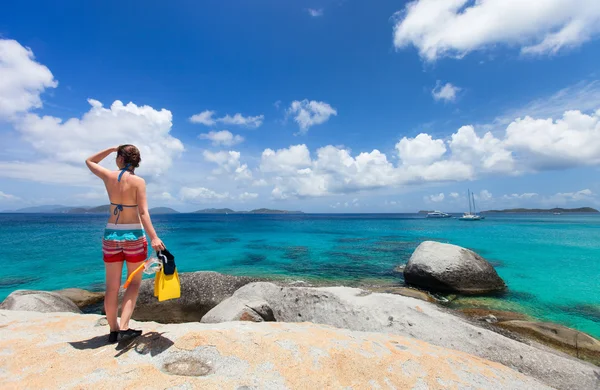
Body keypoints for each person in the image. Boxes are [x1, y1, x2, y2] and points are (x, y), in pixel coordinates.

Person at [85, 145, 165, 343]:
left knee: (111, 287)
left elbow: (90, 161)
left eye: (117, 156)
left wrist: (110, 149)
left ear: (120, 158)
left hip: (111, 235)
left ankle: (113, 331)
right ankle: (125, 327)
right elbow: (143, 212)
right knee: (134, 283)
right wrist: (154, 237)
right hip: (134, 237)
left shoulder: (109, 177)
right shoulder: (139, 182)